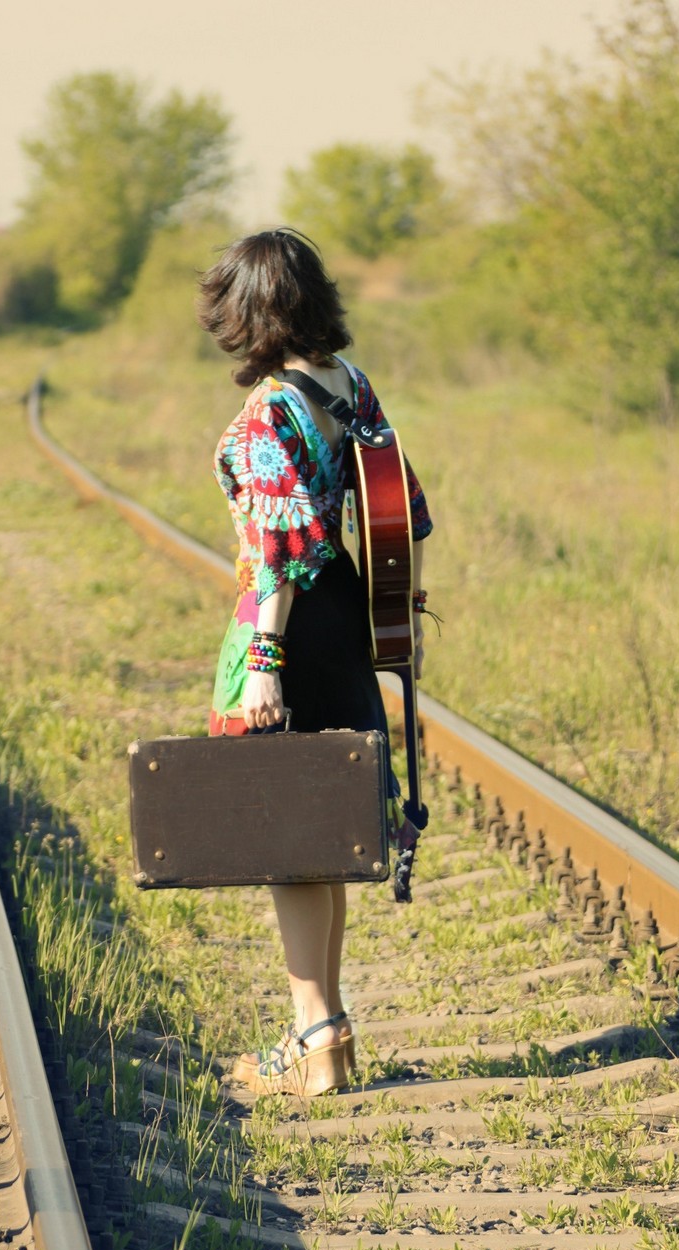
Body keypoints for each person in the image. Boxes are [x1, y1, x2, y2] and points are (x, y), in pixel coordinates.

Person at [197, 229, 432, 1097]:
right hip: (343, 615)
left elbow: (275, 553)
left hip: (290, 626)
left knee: (287, 841)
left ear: (247, 312)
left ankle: (313, 1040)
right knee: (319, 833)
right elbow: (402, 507)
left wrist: (262, 661)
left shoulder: (269, 412)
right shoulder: (350, 386)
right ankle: (327, 1031)